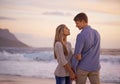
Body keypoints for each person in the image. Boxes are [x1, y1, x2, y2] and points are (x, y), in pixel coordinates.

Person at [72, 12, 101, 84]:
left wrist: (73, 69)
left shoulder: (81, 35)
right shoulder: (96, 33)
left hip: (83, 68)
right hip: (95, 67)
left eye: (77, 23)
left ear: (83, 21)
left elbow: (77, 55)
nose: (76, 25)